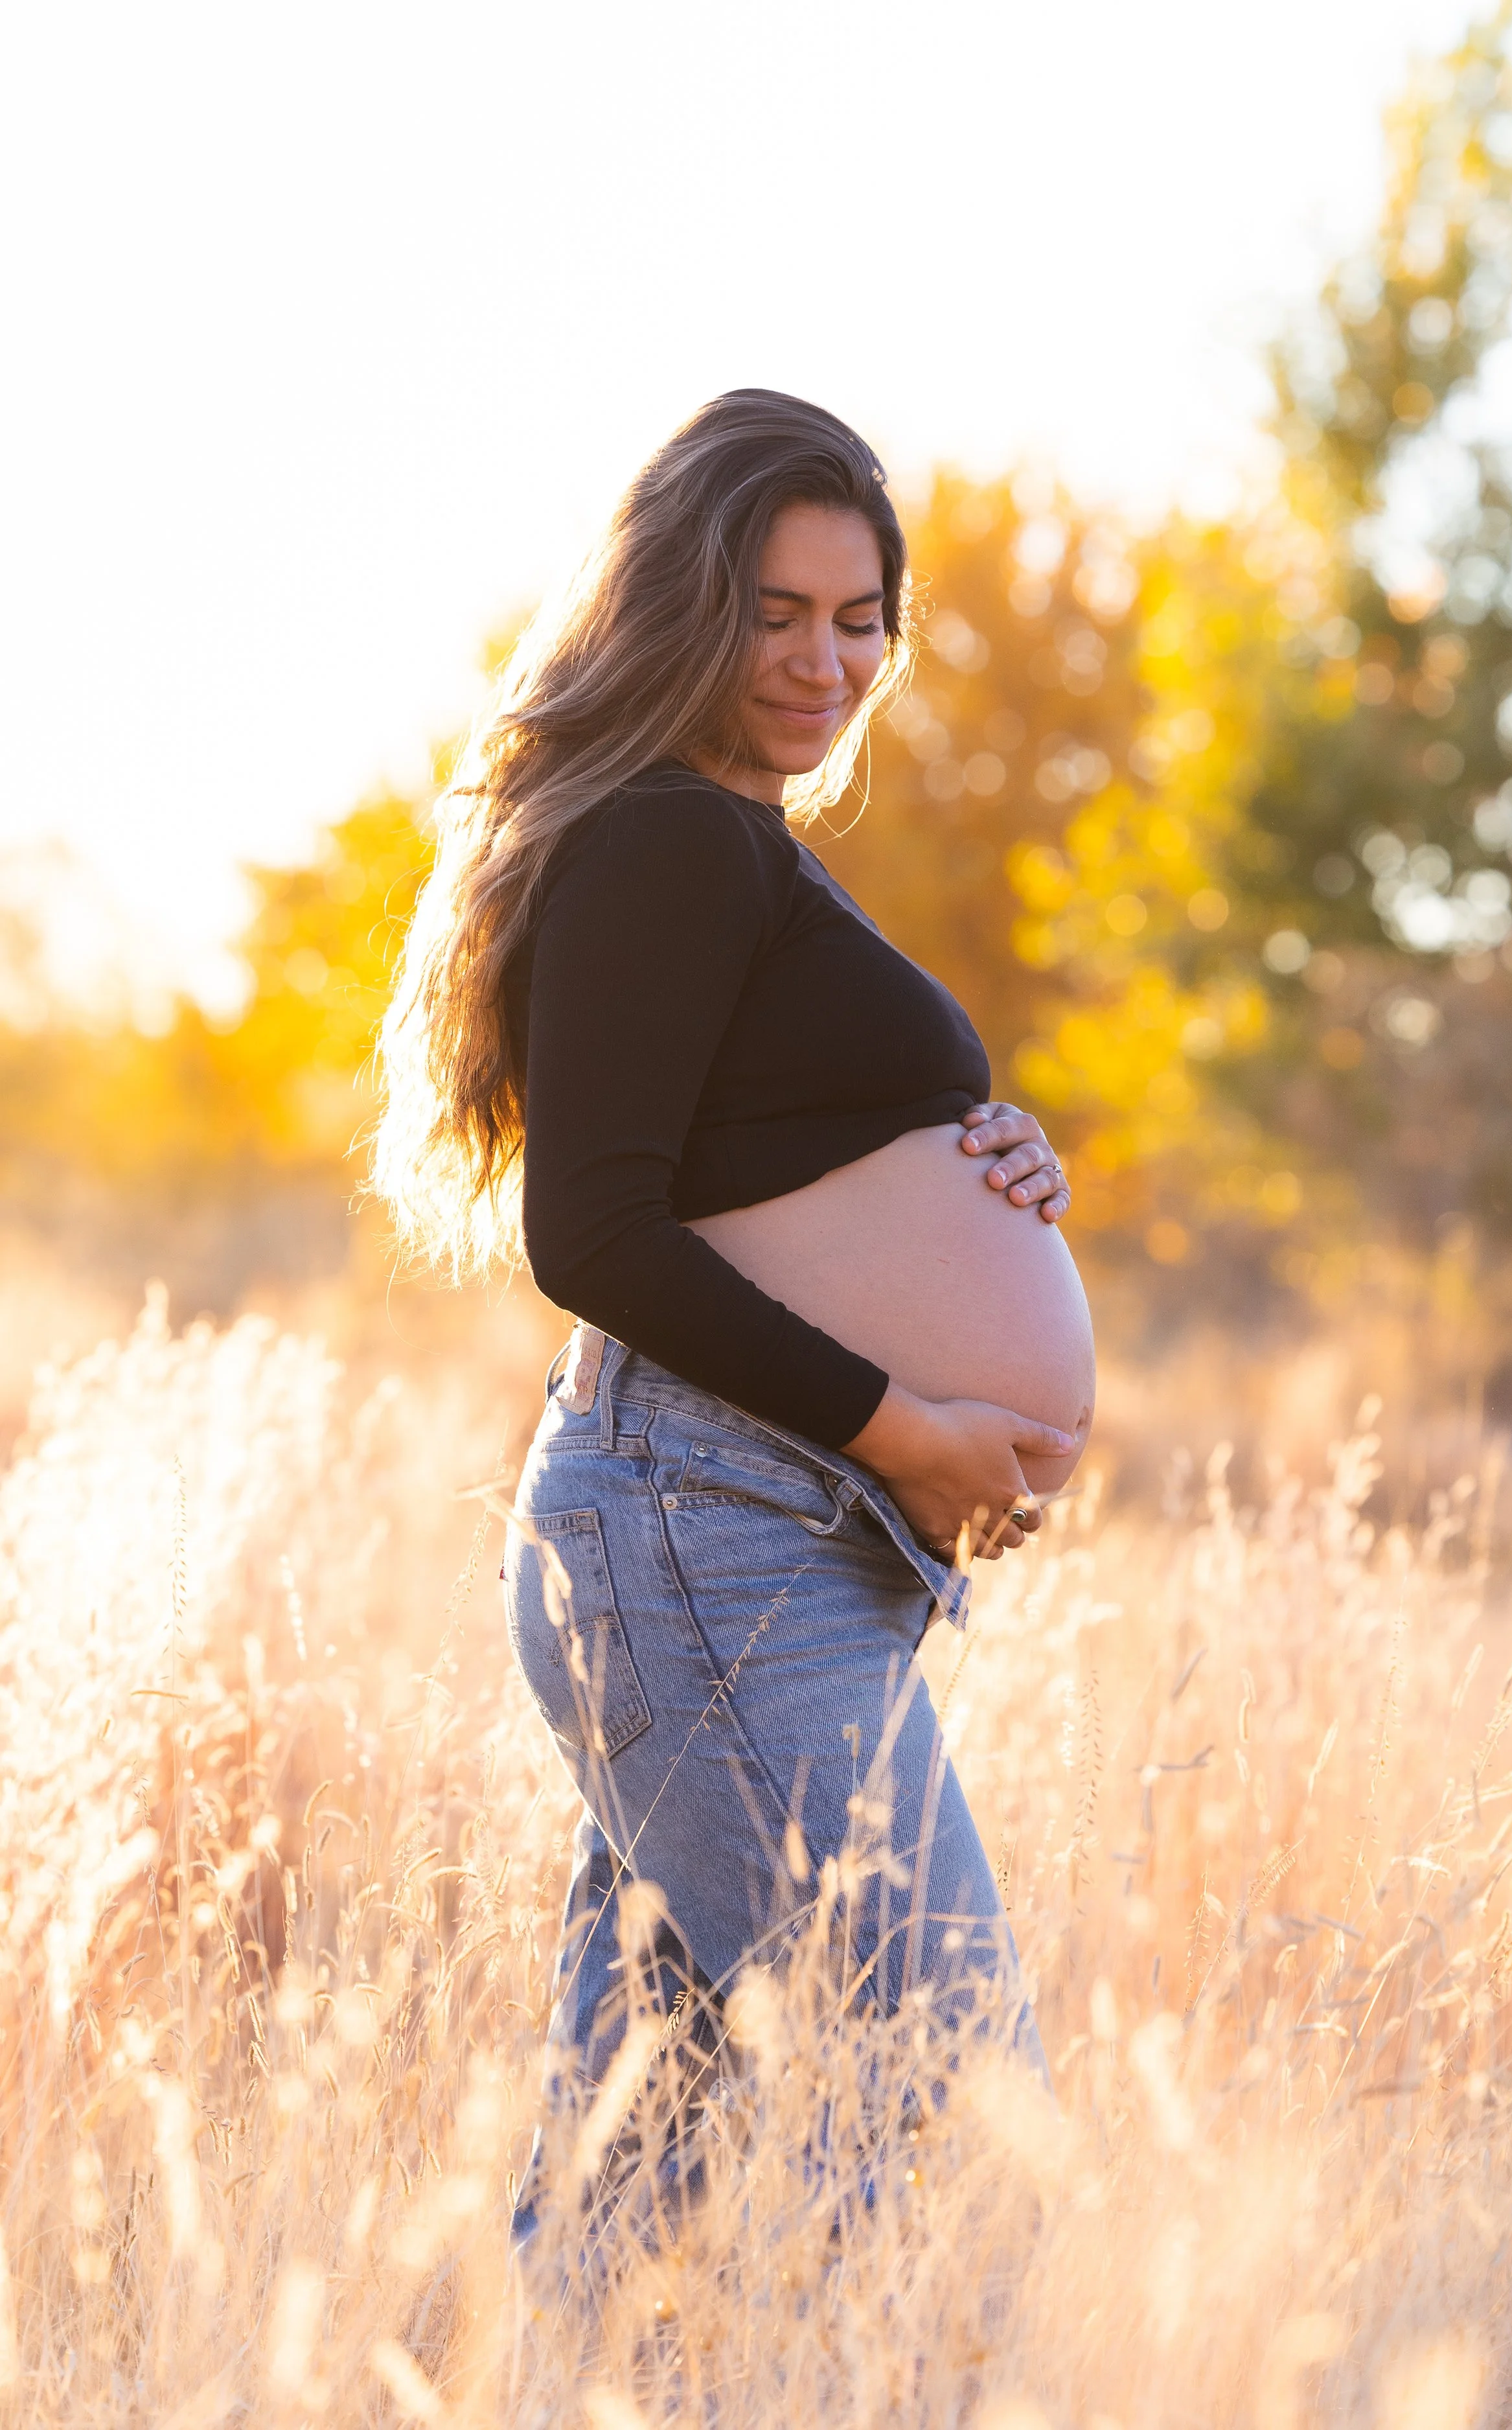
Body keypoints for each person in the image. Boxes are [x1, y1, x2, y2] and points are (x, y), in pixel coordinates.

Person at [374, 389, 1095, 2239]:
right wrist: (907, 1420)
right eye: (775, 610)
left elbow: (747, 1160)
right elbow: (595, 1228)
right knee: (950, 2124)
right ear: (680, 600)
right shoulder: (670, 843)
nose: (823, 657)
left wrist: (978, 1152)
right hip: (716, 1529)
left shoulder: (724, 846)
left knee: (646, 2179)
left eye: (859, 617)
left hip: (741, 1541)